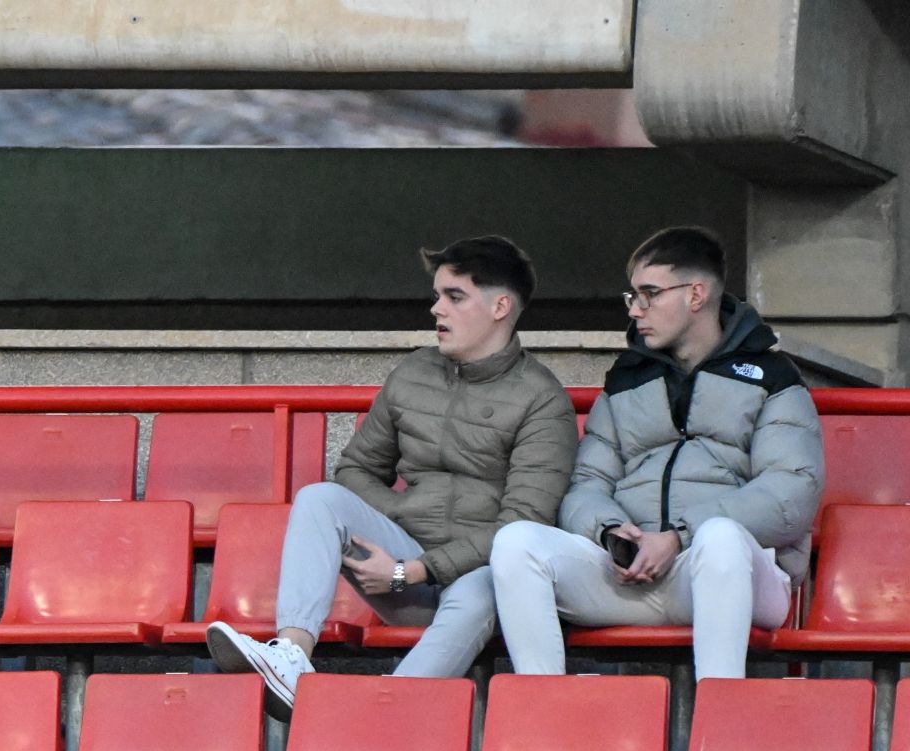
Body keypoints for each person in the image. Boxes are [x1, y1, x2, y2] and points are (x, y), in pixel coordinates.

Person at [205, 235, 579, 716]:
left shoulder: (543, 400)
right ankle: (292, 657)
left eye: (454, 296)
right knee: (320, 498)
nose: (435, 309)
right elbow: (356, 469)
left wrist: (413, 570)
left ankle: (380, 723)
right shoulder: (413, 373)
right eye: (438, 294)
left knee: (483, 586)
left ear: (500, 306)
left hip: (478, 574)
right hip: (402, 566)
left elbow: (522, 526)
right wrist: (397, 532)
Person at [490, 226, 824, 680]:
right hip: (630, 574)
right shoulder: (628, 378)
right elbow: (587, 483)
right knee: (517, 543)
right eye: (633, 296)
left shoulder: (771, 375)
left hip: (728, 574)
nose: (635, 309)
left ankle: (718, 716)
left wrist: (679, 537)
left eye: (649, 294)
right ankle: (545, 711)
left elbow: (791, 492)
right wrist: (612, 534)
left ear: (696, 294)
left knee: (721, 537)